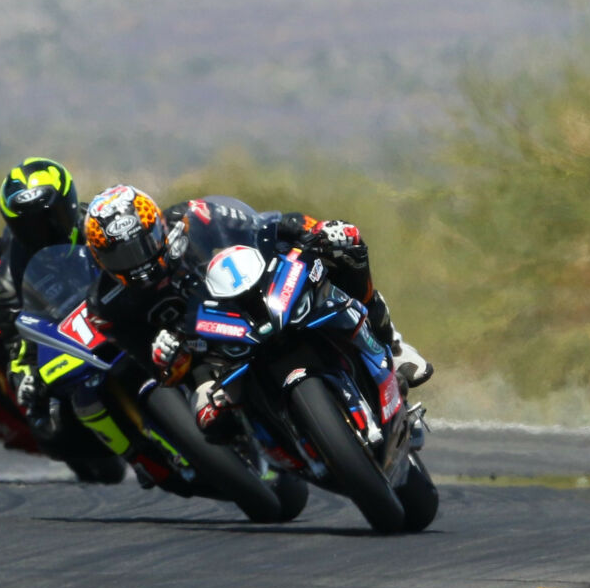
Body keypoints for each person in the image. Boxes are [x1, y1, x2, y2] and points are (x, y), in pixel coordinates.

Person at [79, 185, 431, 434]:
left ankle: (394, 347)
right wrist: (165, 356)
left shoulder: (193, 216)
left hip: (256, 302)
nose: (137, 262)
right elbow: (158, 371)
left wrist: (315, 229)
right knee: (209, 421)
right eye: (121, 256)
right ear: (100, 259)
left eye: (141, 245)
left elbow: (263, 224)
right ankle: (267, 452)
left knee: (345, 253)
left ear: (156, 228)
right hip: (208, 360)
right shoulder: (107, 303)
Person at [0, 157, 86, 420]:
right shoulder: (11, 279)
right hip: (71, 346)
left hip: (114, 315)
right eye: (29, 227)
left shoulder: (95, 227)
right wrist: (23, 374)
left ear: (70, 205)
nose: (44, 231)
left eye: (50, 218)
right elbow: (16, 340)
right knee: (50, 421)